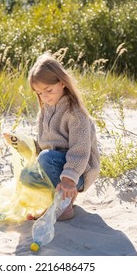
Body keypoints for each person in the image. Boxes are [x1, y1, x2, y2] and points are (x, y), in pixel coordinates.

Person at [26, 52, 100, 221]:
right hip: (58, 165)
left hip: (78, 172)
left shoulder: (75, 113)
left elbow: (80, 150)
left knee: (46, 159)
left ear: (62, 83)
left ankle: (64, 205)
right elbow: (47, 144)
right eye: (38, 93)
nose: (44, 97)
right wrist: (28, 146)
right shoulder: (46, 110)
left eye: (48, 90)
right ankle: (52, 202)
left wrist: (69, 179)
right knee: (28, 172)